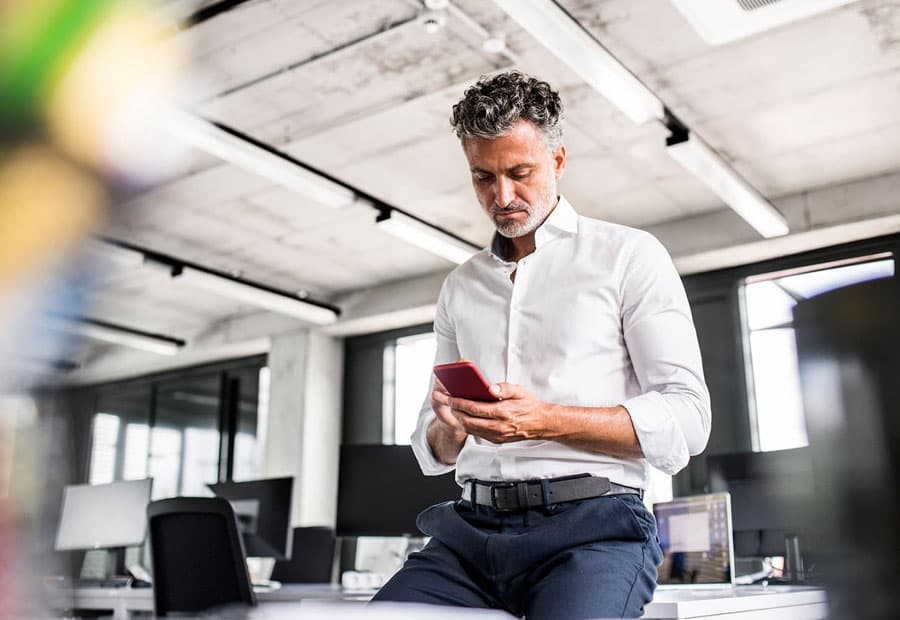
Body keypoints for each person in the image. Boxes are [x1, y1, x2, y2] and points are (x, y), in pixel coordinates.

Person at [372, 71, 711, 619]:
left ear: (557, 161)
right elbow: (430, 447)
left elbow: (687, 419)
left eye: (519, 172)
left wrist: (543, 420)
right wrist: (450, 426)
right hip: (468, 534)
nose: (501, 196)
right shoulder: (460, 286)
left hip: (593, 532)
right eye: (483, 177)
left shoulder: (629, 256)